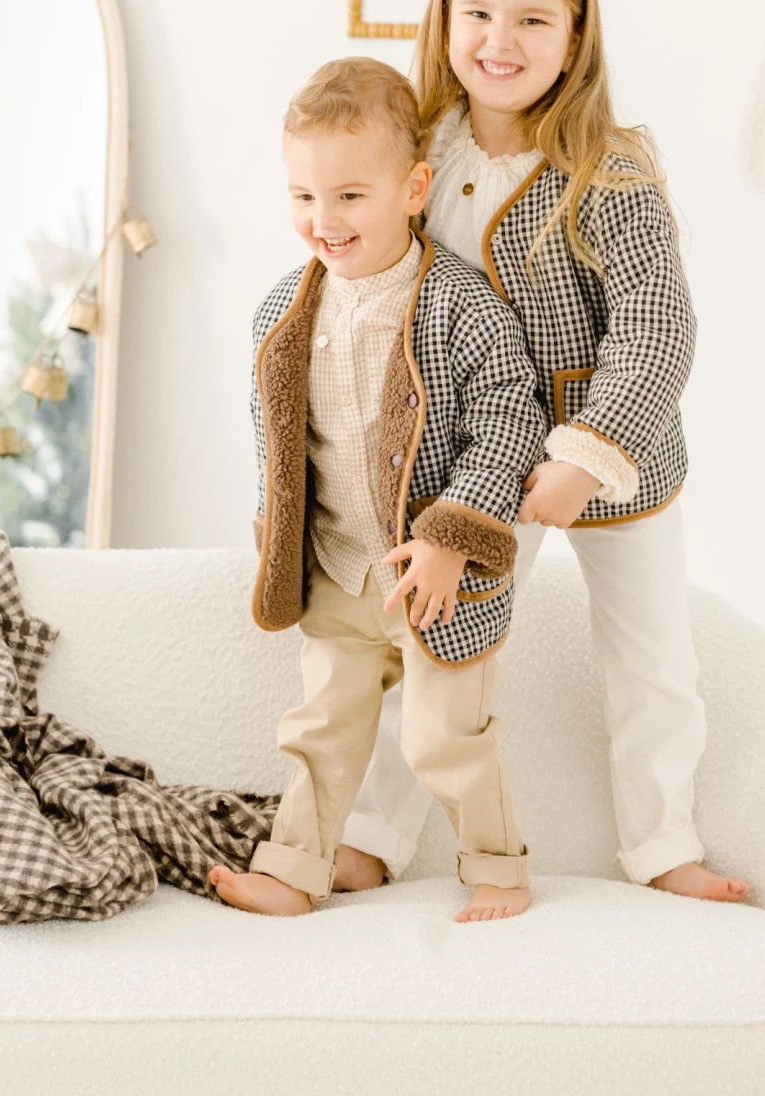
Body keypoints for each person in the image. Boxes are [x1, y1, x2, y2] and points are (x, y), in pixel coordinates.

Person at [333, 0, 749, 905]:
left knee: (653, 662)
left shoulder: (611, 171)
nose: (499, 41)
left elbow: (656, 328)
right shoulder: (417, 157)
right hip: (471, 463)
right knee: (429, 641)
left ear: (575, 39)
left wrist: (588, 454)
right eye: (477, 13)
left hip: (606, 464)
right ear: (443, 23)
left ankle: (663, 846)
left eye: (532, 20)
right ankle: (370, 834)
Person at [210, 56, 546, 922]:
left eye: (349, 196)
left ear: (413, 187)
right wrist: (274, 527)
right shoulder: (281, 313)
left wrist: (450, 537)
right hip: (339, 570)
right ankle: (293, 869)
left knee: (443, 739)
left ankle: (500, 868)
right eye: (304, 198)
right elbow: (276, 437)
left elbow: (512, 417)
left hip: (434, 579)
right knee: (321, 730)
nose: (324, 221)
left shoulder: (458, 307)